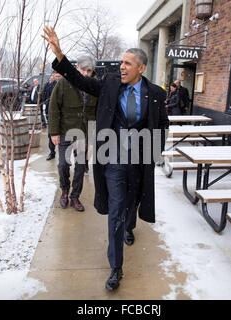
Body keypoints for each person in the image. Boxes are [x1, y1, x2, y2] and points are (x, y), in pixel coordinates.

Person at [43, 26, 168, 291]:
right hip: (111, 159)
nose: (121, 67)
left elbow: (161, 125)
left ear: (141, 69)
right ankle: (116, 268)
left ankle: (128, 225)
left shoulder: (155, 94)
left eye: (127, 64)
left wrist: (155, 155)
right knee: (115, 210)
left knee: (132, 203)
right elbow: (81, 81)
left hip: (139, 161)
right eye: (121, 62)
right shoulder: (110, 84)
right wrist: (59, 53)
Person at [48, 55, 98, 212]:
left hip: (83, 133)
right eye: (83, 69)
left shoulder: (94, 86)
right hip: (65, 131)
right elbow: (53, 108)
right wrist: (54, 132)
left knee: (80, 166)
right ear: (76, 67)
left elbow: (96, 112)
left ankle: (75, 196)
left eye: (89, 71)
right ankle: (64, 191)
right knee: (63, 164)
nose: (86, 73)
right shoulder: (63, 83)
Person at [42, 71, 62, 160]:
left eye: (59, 75)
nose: (57, 77)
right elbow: (46, 96)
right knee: (51, 134)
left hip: (63, 113)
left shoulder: (66, 84)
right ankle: (52, 152)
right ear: (53, 75)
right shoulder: (50, 85)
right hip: (51, 113)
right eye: (56, 75)